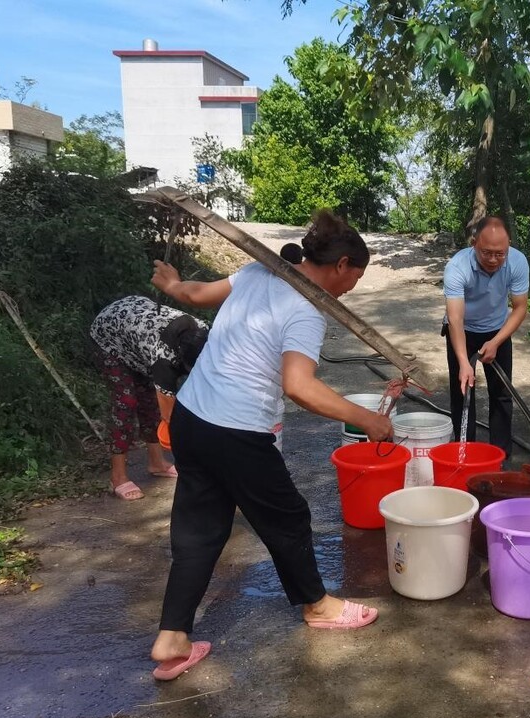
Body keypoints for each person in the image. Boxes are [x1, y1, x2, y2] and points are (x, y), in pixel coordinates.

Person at [147, 210, 393, 681]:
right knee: (288, 517)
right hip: (236, 430)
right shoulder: (306, 311)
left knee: (201, 530)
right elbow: (299, 385)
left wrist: (173, 284)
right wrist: (368, 420)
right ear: (341, 264)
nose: (353, 288)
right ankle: (318, 606)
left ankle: (172, 637)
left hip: (192, 419)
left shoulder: (260, 270)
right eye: (356, 276)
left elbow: (194, 295)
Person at [89, 296, 209, 501]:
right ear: (180, 357)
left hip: (137, 335)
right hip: (109, 337)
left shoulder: (207, 335)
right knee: (125, 403)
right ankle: (118, 478)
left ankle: (157, 463)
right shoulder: (163, 356)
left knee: (149, 402)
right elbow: (169, 415)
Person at [442, 215, 529, 457]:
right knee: (462, 391)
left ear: (508, 245)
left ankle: (500, 455)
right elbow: (455, 318)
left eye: (499, 253)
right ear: (474, 244)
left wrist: (496, 342)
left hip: (497, 330)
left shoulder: (518, 262)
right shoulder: (457, 267)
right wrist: (463, 362)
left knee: (501, 393)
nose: (493, 259)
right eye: (486, 252)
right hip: (463, 330)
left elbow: (520, 307)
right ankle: (465, 452)